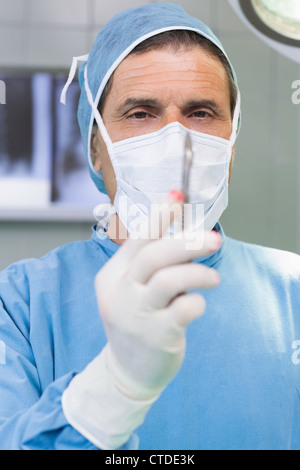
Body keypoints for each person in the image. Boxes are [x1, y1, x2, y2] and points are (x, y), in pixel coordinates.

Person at [0, 2, 299, 451]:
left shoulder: (292, 292)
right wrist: (114, 388)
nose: (175, 140)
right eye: (141, 113)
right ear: (96, 150)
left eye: (201, 113)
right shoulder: (20, 304)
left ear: (231, 147)